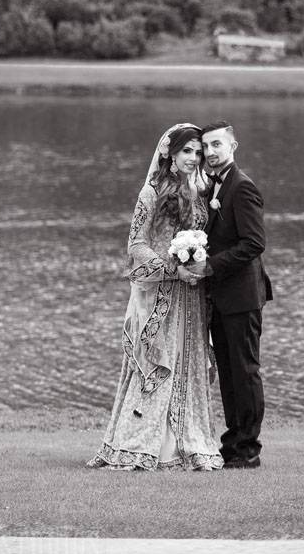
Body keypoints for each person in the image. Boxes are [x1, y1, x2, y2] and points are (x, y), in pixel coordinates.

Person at [87, 123, 223, 471]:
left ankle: (185, 446)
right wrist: (170, 265)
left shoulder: (202, 191)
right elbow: (136, 245)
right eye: (186, 151)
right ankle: (142, 446)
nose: (194, 158)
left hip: (192, 296)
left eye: (197, 151)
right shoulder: (151, 192)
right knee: (159, 362)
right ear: (170, 153)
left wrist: (196, 260)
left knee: (188, 362)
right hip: (162, 293)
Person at [188, 120, 273, 469]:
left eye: (216, 145)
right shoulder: (214, 188)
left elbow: (254, 243)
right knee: (227, 372)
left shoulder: (242, 187)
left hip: (242, 297)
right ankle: (232, 442)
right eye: (205, 146)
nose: (209, 152)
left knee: (245, 370)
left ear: (232, 147)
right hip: (221, 299)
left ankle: (248, 448)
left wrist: (210, 267)